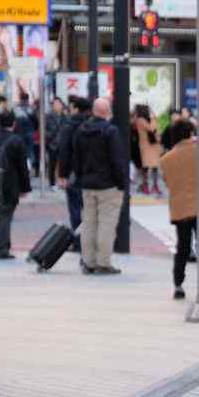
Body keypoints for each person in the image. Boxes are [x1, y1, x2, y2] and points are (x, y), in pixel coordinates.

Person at [72, 97, 128, 275]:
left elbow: (77, 158)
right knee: (106, 224)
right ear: (107, 112)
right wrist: (122, 183)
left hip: (88, 184)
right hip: (108, 185)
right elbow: (118, 160)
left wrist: (80, 178)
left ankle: (88, 261)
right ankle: (103, 262)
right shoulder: (111, 132)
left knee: (88, 223)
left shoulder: (81, 131)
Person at [159, 120, 199, 299]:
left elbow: (168, 181)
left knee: (182, 246)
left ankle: (178, 283)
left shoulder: (166, 159)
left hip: (180, 208)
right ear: (191, 132)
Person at [0, 111, 31, 260]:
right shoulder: (16, 141)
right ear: (13, 124)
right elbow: (22, 168)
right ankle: (2, 249)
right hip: (9, 185)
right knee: (5, 217)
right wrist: (25, 188)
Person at [57, 96, 91, 252]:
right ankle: (91, 241)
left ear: (76, 109)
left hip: (73, 172)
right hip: (93, 173)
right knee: (91, 209)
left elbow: (64, 151)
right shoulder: (93, 124)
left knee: (76, 208)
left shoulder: (69, 125)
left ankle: (78, 242)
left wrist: (62, 174)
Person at [134, 104, 162, 195]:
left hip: (153, 146)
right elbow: (151, 128)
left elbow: (157, 129)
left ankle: (155, 186)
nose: (150, 112)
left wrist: (154, 119)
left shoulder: (147, 120)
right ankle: (145, 186)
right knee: (145, 167)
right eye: (148, 110)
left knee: (155, 167)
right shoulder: (140, 120)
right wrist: (154, 118)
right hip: (146, 146)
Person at [45, 97, 67, 189]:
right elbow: (44, 129)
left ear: (62, 105)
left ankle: (62, 182)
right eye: (55, 104)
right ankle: (52, 183)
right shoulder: (48, 116)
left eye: (58, 104)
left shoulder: (65, 116)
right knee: (52, 164)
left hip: (63, 143)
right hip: (52, 144)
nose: (57, 106)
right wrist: (49, 137)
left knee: (63, 164)